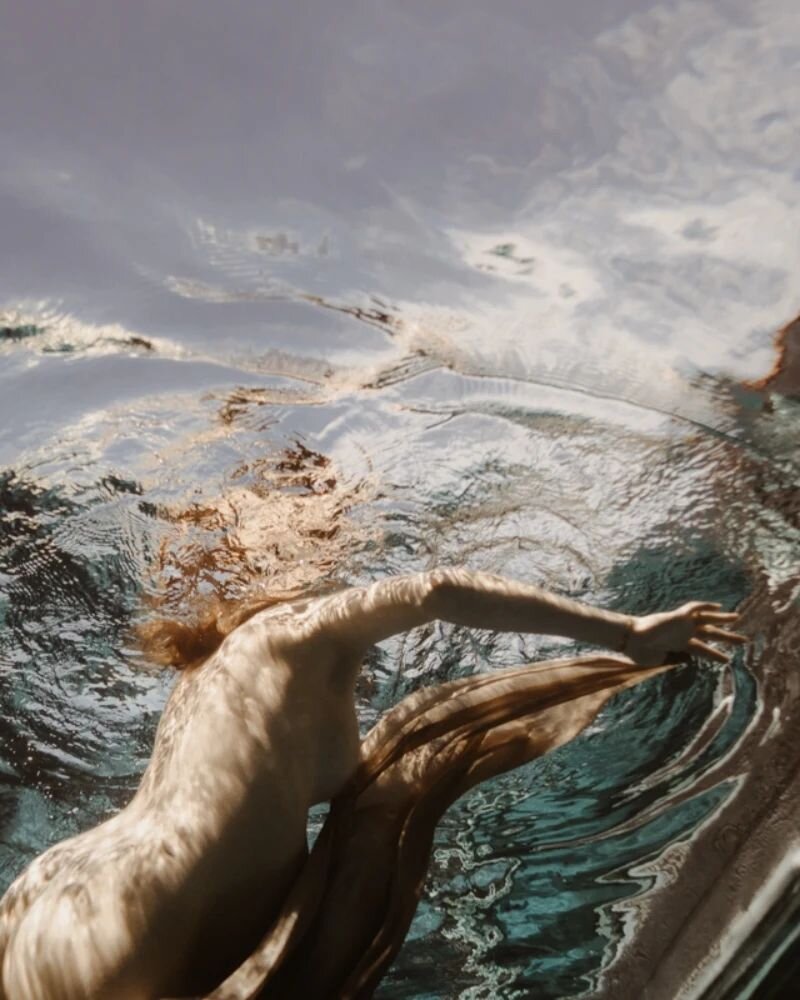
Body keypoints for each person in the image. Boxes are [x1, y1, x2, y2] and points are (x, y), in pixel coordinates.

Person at [0, 568, 746, 1000]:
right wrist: (625, 633)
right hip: (137, 927)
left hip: (55, 907)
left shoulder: (204, 681)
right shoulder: (284, 633)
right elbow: (434, 590)